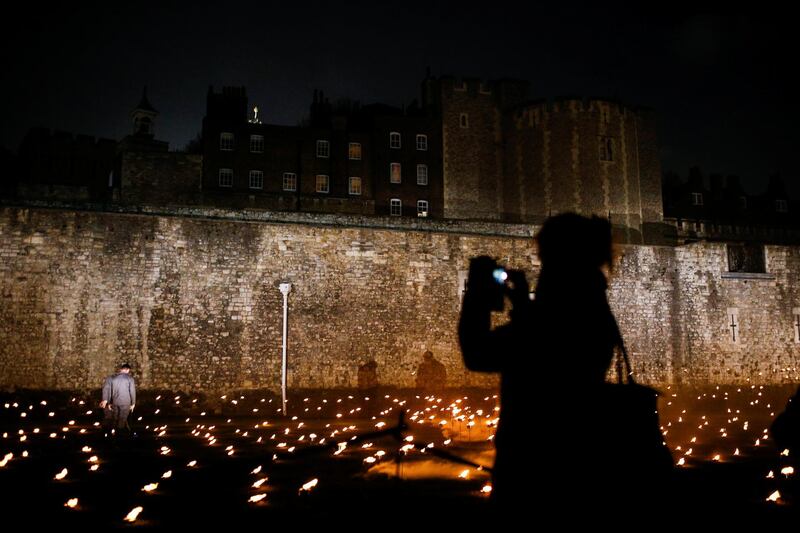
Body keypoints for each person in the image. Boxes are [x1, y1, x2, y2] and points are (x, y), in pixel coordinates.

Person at [458, 213, 627, 513]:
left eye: (545, 258)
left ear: (559, 260)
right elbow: (552, 345)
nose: (542, 268)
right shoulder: (593, 307)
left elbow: (479, 352)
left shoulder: (556, 318)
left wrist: (478, 298)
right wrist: (524, 306)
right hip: (584, 466)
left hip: (535, 474)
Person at [102, 363, 136, 437]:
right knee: (122, 418)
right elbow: (132, 391)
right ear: (127, 370)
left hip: (115, 402)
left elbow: (110, 390)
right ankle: (119, 436)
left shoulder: (114, 379)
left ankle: (112, 434)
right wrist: (133, 403)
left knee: (115, 418)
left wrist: (109, 401)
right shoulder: (130, 378)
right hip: (125, 402)